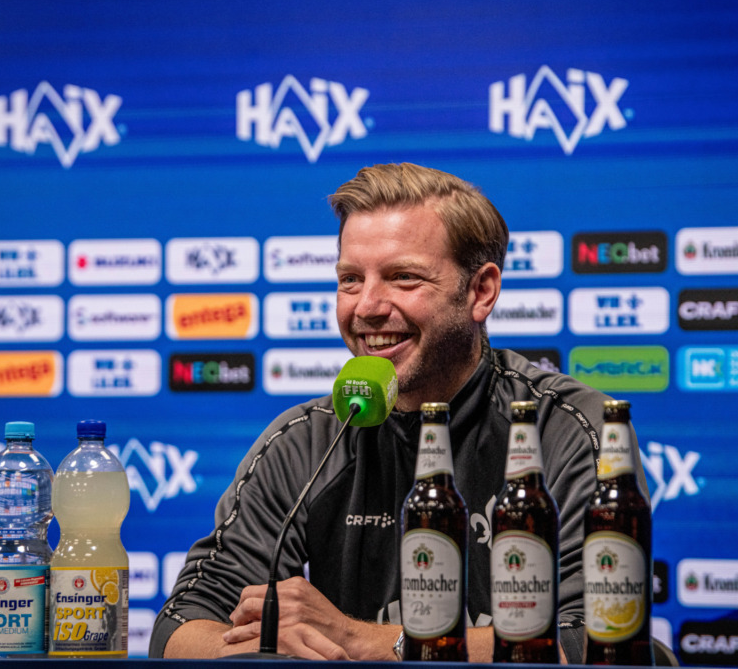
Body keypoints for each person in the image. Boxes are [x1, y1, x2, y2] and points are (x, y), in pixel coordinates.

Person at [150, 162, 643, 663]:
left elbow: (598, 641)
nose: (366, 307)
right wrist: (257, 642)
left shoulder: (568, 428)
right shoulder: (304, 443)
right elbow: (179, 626)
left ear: (481, 291)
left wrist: (361, 640)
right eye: (349, 280)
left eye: (402, 278)